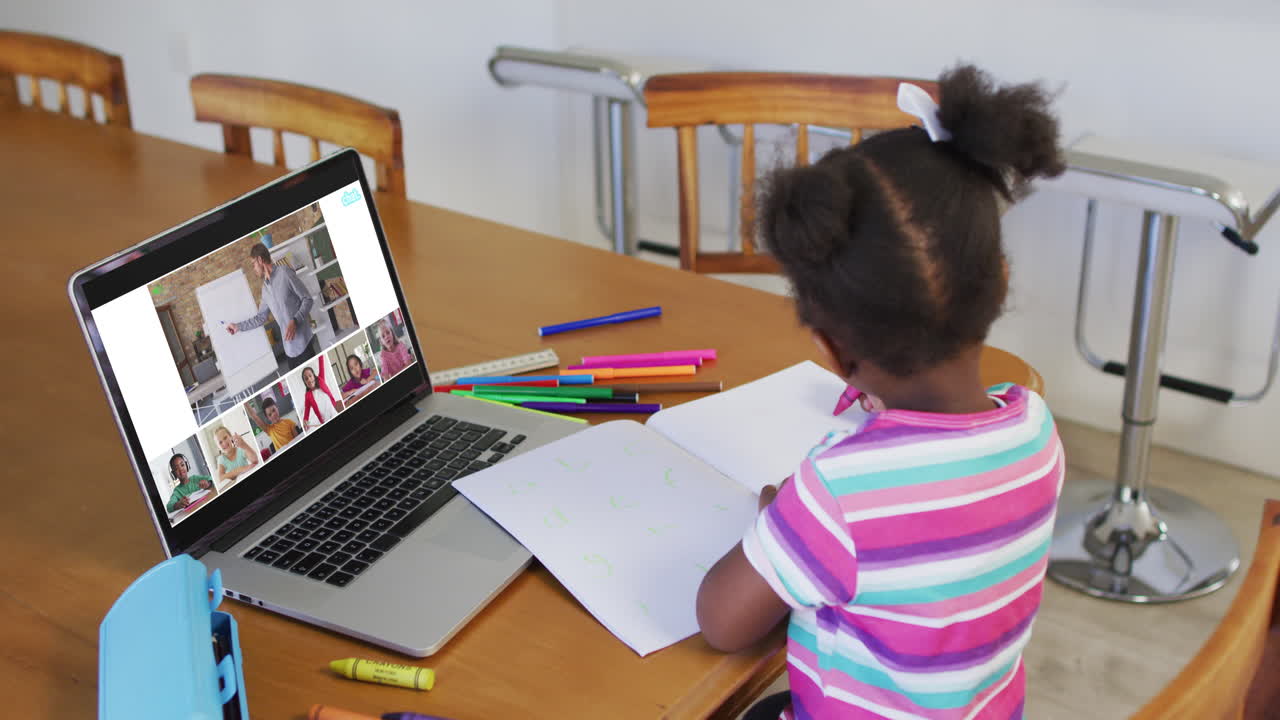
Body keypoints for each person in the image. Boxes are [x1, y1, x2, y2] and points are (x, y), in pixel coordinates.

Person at [696, 65, 1068, 720]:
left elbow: (721, 622)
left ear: (831, 347)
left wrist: (782, 525)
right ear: (1000, 280)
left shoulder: (839, 494)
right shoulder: (1037, 429)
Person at [225, 242, 317, 372]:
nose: (254, 269)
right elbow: (260, 318)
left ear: (260, 260)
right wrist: (237, 326)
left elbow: (307, 299)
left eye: (253, 264)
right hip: (289, 351)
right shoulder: (265, 290)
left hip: (304, 344)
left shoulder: (285, 273)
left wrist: (295, 321)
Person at [300, 361, 343, 430]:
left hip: (334, 413)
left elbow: (321, 364)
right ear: (305, 383)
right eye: (306, 379)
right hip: (325, 421)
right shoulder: (307, 395)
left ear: (314, 376)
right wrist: (305, 419)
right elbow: (307, 408)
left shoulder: (321, 379)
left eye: (310, 376)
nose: (309, 380)